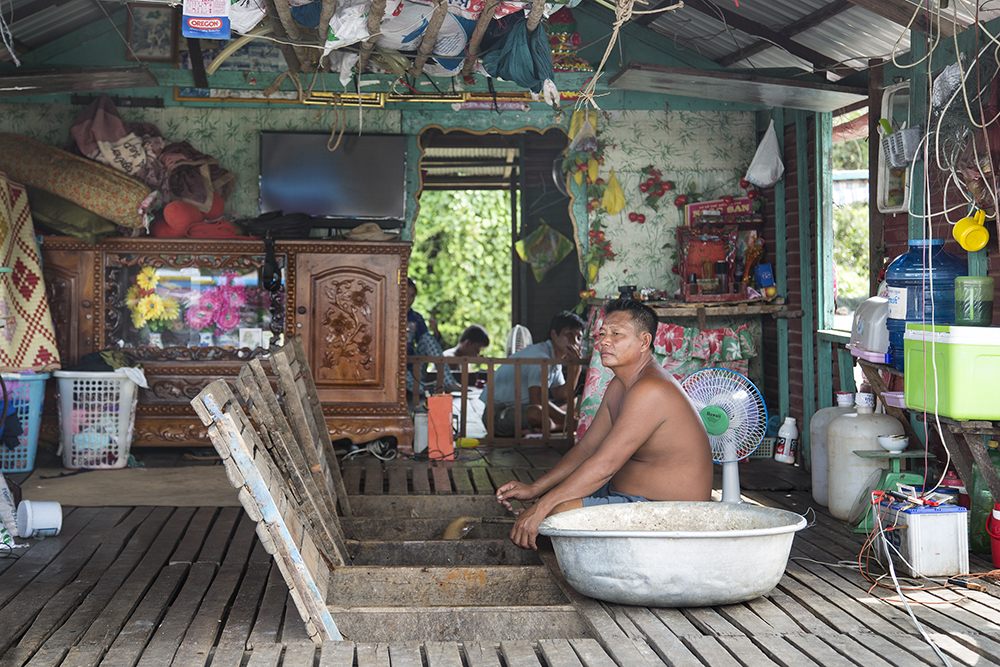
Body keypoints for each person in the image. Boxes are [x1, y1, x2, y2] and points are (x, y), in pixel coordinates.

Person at [495, 299, 713, 549]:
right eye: (602, 333)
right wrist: (535, 490)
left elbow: (606, 465)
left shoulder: (651, 389)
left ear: (644, 342)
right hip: (630, 497)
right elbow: (588, 448)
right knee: (548, 507)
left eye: (616, 334)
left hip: (671, 515)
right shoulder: (620, 384)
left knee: (557, 514)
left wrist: (541, 507)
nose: (604, 341)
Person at [492, 311, 585, 437]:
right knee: (537, 412)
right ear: (554, 334)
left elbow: (561, 396)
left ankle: (549, 427)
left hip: (522, 409)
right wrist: (567, 418)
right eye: (569, 334)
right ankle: (559, 426)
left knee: (574, 402)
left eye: (579, 337)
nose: (574, 341)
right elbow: (537, 400)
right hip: (497, 414)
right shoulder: (540, 357)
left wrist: (575, 370)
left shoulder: (554, 358)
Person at [406, 278, 458, 395]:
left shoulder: (416, 318)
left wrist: (435, 333)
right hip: (397, 369)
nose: (408, 299)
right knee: (395, 364)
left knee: (427, 337)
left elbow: (427, 344)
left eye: (412, 296)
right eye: (405, 294)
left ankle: (448, 383)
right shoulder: (389, 314)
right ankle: (423, 389)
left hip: (414, 367)